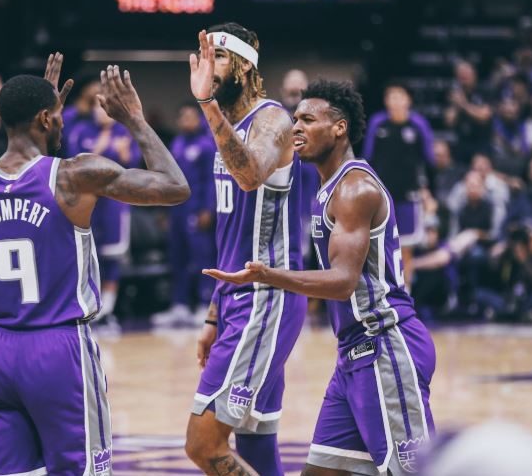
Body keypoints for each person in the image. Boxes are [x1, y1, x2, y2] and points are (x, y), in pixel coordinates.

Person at [0, 57, 188, 475]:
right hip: (58, 349)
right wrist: (134, 119)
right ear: (44, 118)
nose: (63, 123)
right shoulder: (75, 176)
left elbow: (13, 176)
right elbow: (175, 187)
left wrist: (40, 111)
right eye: (56, 117)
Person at [204, 80, 435, 474]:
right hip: (353, 353)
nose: (296, 127)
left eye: (308, 120)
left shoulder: (354, 189)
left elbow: (343, 282)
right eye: (295, 119)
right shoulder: (330, 186)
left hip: (385, 345)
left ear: (339, 128)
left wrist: (269, 275)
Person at [185, 25, 305, 476]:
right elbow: (232, 238)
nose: (208, 66)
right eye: (203, 56)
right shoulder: (228, 129)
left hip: (265, 300)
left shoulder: (272, 121)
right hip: (238, 300)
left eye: (217, 57)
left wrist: (206, 104)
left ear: (244, 67)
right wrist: (213, 316)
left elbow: (250, 175)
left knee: (203, 445)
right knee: (257, 447)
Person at [64, 83, 141, 333]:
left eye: (105, 107)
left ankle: (107, 311)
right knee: (86, 257)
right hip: (87, 204)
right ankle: (88, 307)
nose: (101, 112)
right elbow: (75, 164)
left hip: (115, 205)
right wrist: (101, 146)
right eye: (97, 107)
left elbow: (134, 164)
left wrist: (124, 154)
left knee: (112, 258)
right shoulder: (80, 131)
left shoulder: (125, 132)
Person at [362, 85, 435, 287]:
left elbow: (429, 161)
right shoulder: (378, 123)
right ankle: (381, 291)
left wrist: (427, 192)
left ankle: (406, 292)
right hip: (381, 197)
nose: (395, 100)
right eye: (391, 96)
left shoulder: (418, 125)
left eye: (399, 96)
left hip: (408, 196)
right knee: (378, 246)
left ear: (408, 100)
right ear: (386, 101)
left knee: (406, 248)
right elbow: (368, 158)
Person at [152, 102, 217, 327]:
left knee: (201, 258)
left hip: (197, 210)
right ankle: (179, 305)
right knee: (177, 258)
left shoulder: (207, 145)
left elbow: (211, 180)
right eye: (182, 116)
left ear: (199, 119)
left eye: (190, 116)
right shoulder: (177, 144)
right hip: (177, 211)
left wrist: (208, 208)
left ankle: (205, 303)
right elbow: (168, 179)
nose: (186, 120)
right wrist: (164, 209)